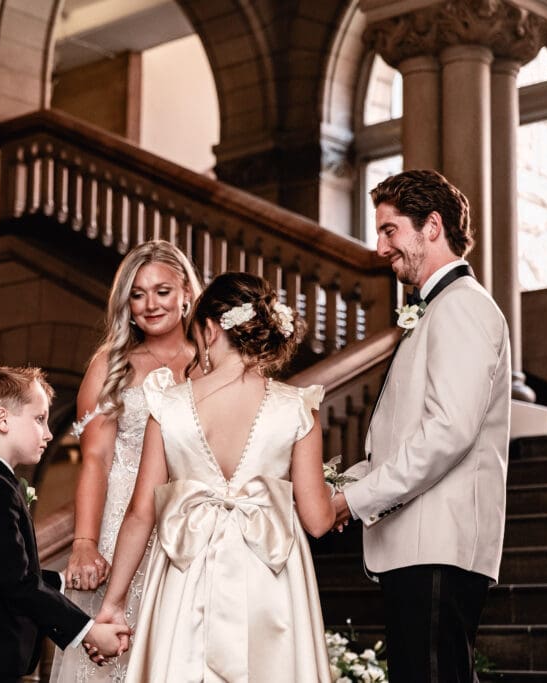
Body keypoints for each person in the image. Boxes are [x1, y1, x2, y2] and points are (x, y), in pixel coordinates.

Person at [95, 272, 335, 682]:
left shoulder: (167, 407)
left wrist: (112, 606)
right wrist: (336, 497)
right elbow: (317, 520)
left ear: (209, 330)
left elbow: (140, 513)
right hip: (270, 579)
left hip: (187, 574)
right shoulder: (298, 409)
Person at [331, 170, 511, 682]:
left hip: (437, 548)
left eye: (390, 230)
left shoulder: (462, 307)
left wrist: (354, 501)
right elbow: (409, 435)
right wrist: (340, 486)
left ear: (432, 226)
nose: (380, 247)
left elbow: (447, 433)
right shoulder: (437, 308)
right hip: (420, 547)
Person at [51, 240, 203, 682]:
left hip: (191, 523)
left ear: (186, 293)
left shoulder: (211, 361)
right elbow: (95, 459)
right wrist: (84, 542)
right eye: (138, 295)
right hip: (121, 522)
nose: (150, 304)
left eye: (162, 291)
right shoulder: (111, 364)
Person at [0, 366, 131, 683]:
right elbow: (18, 584)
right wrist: (89, 631)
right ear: (2, 420)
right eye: (39, 419)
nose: (49, 433)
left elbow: (2, 573)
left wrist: (63, 581)